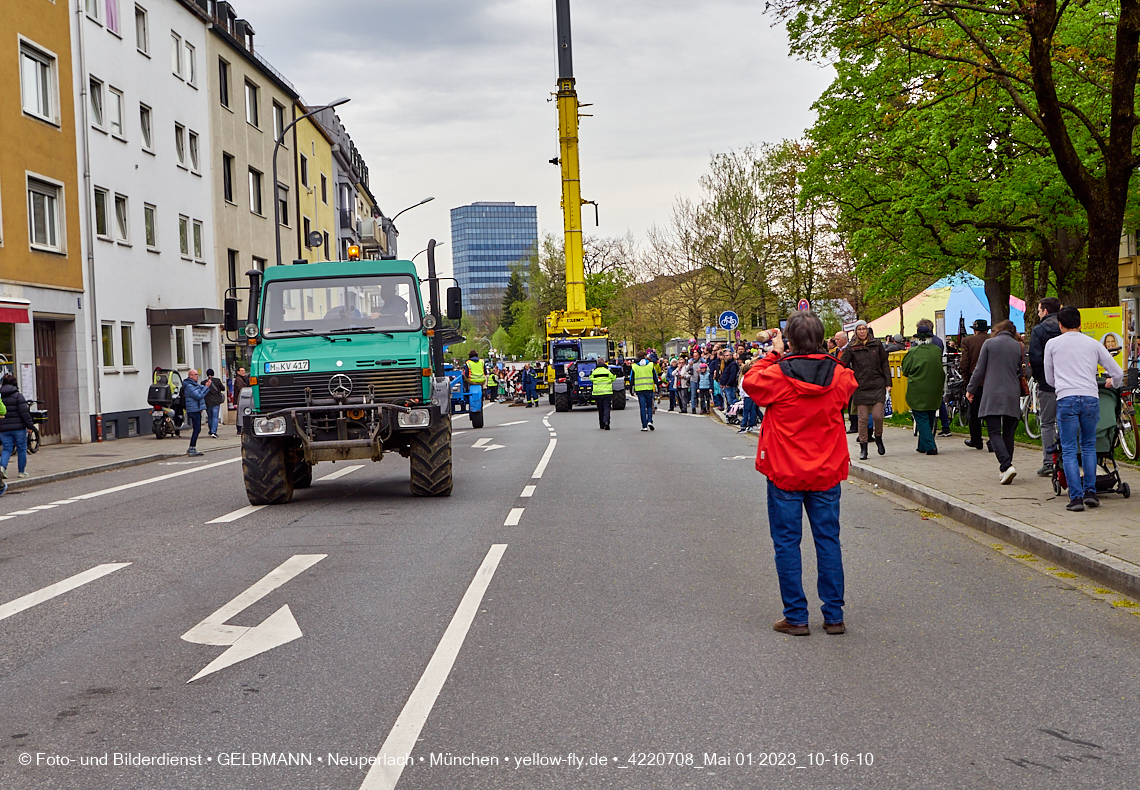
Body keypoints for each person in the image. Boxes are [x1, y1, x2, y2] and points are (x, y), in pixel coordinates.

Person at [741, 312, 857, 636]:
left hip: (785, 471)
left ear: (790, 339)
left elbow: (750, 382)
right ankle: (834, 616)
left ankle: (796, 616)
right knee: (828, 541)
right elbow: (848, 386)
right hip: (826, 470)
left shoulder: (777, 374)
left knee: (787, 543)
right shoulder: (838, 374)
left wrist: (775, 352)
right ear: (822, 339)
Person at [1045, 306, 1124, 511]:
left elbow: (1049, 378)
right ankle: (1091, 492)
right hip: (1090, 398)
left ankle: (1076, 497)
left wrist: (1062, 385)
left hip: (1066, 398)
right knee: (1089, 445)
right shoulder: (1092, 344)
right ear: (1081, 324)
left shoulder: (1052, 344)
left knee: (1070, 449)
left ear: (1060, 325)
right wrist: (1112, 384)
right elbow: (1116, 372)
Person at [967, 320, 1025, 484]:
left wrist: (971, 389)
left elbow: (979, 369)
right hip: (1012, 392)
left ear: (998, 330)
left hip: (992, 392)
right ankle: (1004, 470)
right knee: (1008, 433)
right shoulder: (1018, 346)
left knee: (994, 432)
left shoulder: (989, 344)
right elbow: (1025, 370)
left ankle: (1007, 466)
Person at [841, 320, 890, 459]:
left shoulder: (876, 344)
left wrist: (888, 382)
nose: (862, 331)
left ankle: (878, 437)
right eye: (859, 329)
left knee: (878, 416)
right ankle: (864, 447)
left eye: (864, 329)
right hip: (861, 386)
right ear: (855, 331)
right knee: (862, 419)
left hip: (877, 385)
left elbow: (884, 363)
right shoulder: (851, 347)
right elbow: (842, 364)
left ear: (867, 330)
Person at [1028, 298, 1062, 476]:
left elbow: (1035, 357)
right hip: (1069, 383)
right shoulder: (1068, 327)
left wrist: (1039, 377)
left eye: (1039, 311)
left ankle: (1049, 462)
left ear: (1046, 311)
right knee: (1069, 421)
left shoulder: (1039, 330)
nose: (1038, 314)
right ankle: (1070, 458)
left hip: (1048, 384)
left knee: (1047, 423)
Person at [901, 320, 945, 455]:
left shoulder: (913, 352)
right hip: (935, 388)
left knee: (921, 417)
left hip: (918, 389)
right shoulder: (937, 350)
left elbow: (905, 370)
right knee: (930, 415)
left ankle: (930, 446)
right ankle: (922, 445)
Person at [959, 319, 990, 450]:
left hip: (975, 380)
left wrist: (966, 379)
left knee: (974, 412)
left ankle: (976, 439)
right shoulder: (992, 340)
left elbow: (964, 362)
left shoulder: (968, 341)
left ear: (974, 330)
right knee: (991, 412)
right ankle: (993, 441)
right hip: (991, 379)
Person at [0, 375, 32, 479]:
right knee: (21, 449)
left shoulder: (0, 396)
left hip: (3, 428)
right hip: (18, 428)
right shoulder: (18, 396)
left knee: (7, 448)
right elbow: (24, 413)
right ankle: (21, 471)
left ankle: (2, 467)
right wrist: (30, 425)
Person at [181, 369, 210, 457]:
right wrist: (206, 387)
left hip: (196, 409)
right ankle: (191, 448)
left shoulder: (194, 384)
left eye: (197, 374)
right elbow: (198, 396)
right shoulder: (189, 386)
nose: (197, 376)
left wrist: (206, 387)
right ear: (190, 376)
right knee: (197, 429)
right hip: (193, 410)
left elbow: (201, 389)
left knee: (197, 429)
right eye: (195, 374)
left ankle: (192, 448)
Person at [631, 351, 658, 431]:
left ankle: (644, 425)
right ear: (645, 356)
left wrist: (631, 389)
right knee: (649, 405)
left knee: (642, 407)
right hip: (649, 388)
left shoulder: (634, 366)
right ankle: (649, 420)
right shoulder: (650, 365)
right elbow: (655, 377)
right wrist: (657, 387)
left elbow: (631, 379)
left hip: (639, 389)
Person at [590, 359, 617, 429]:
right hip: (607, 392)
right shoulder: (608, 370)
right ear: (604, 363)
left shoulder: (594, 371)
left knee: (600, 409)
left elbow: (591, 379)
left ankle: (601, 424)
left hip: (597, 393)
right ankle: (606, 421)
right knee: (607, 408)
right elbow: (614, 377)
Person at [204, 368, 225, 438]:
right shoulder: (217, 381)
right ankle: (214, 431)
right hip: (216, 401)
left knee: (210, 416)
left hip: (208, 402)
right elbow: (223, 388)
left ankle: (210, 430)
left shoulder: (203, 382)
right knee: (215, 416)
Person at [233, 366, 250, 435]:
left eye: (244, 370)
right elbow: (241, 388)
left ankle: (240, 428)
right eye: (242, 371)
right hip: (240, 399)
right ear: (238, 372)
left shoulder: (242, 378)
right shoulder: (238, 379)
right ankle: (239, 428)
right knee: (240, 414)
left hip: (241, 399)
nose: (243, 372)